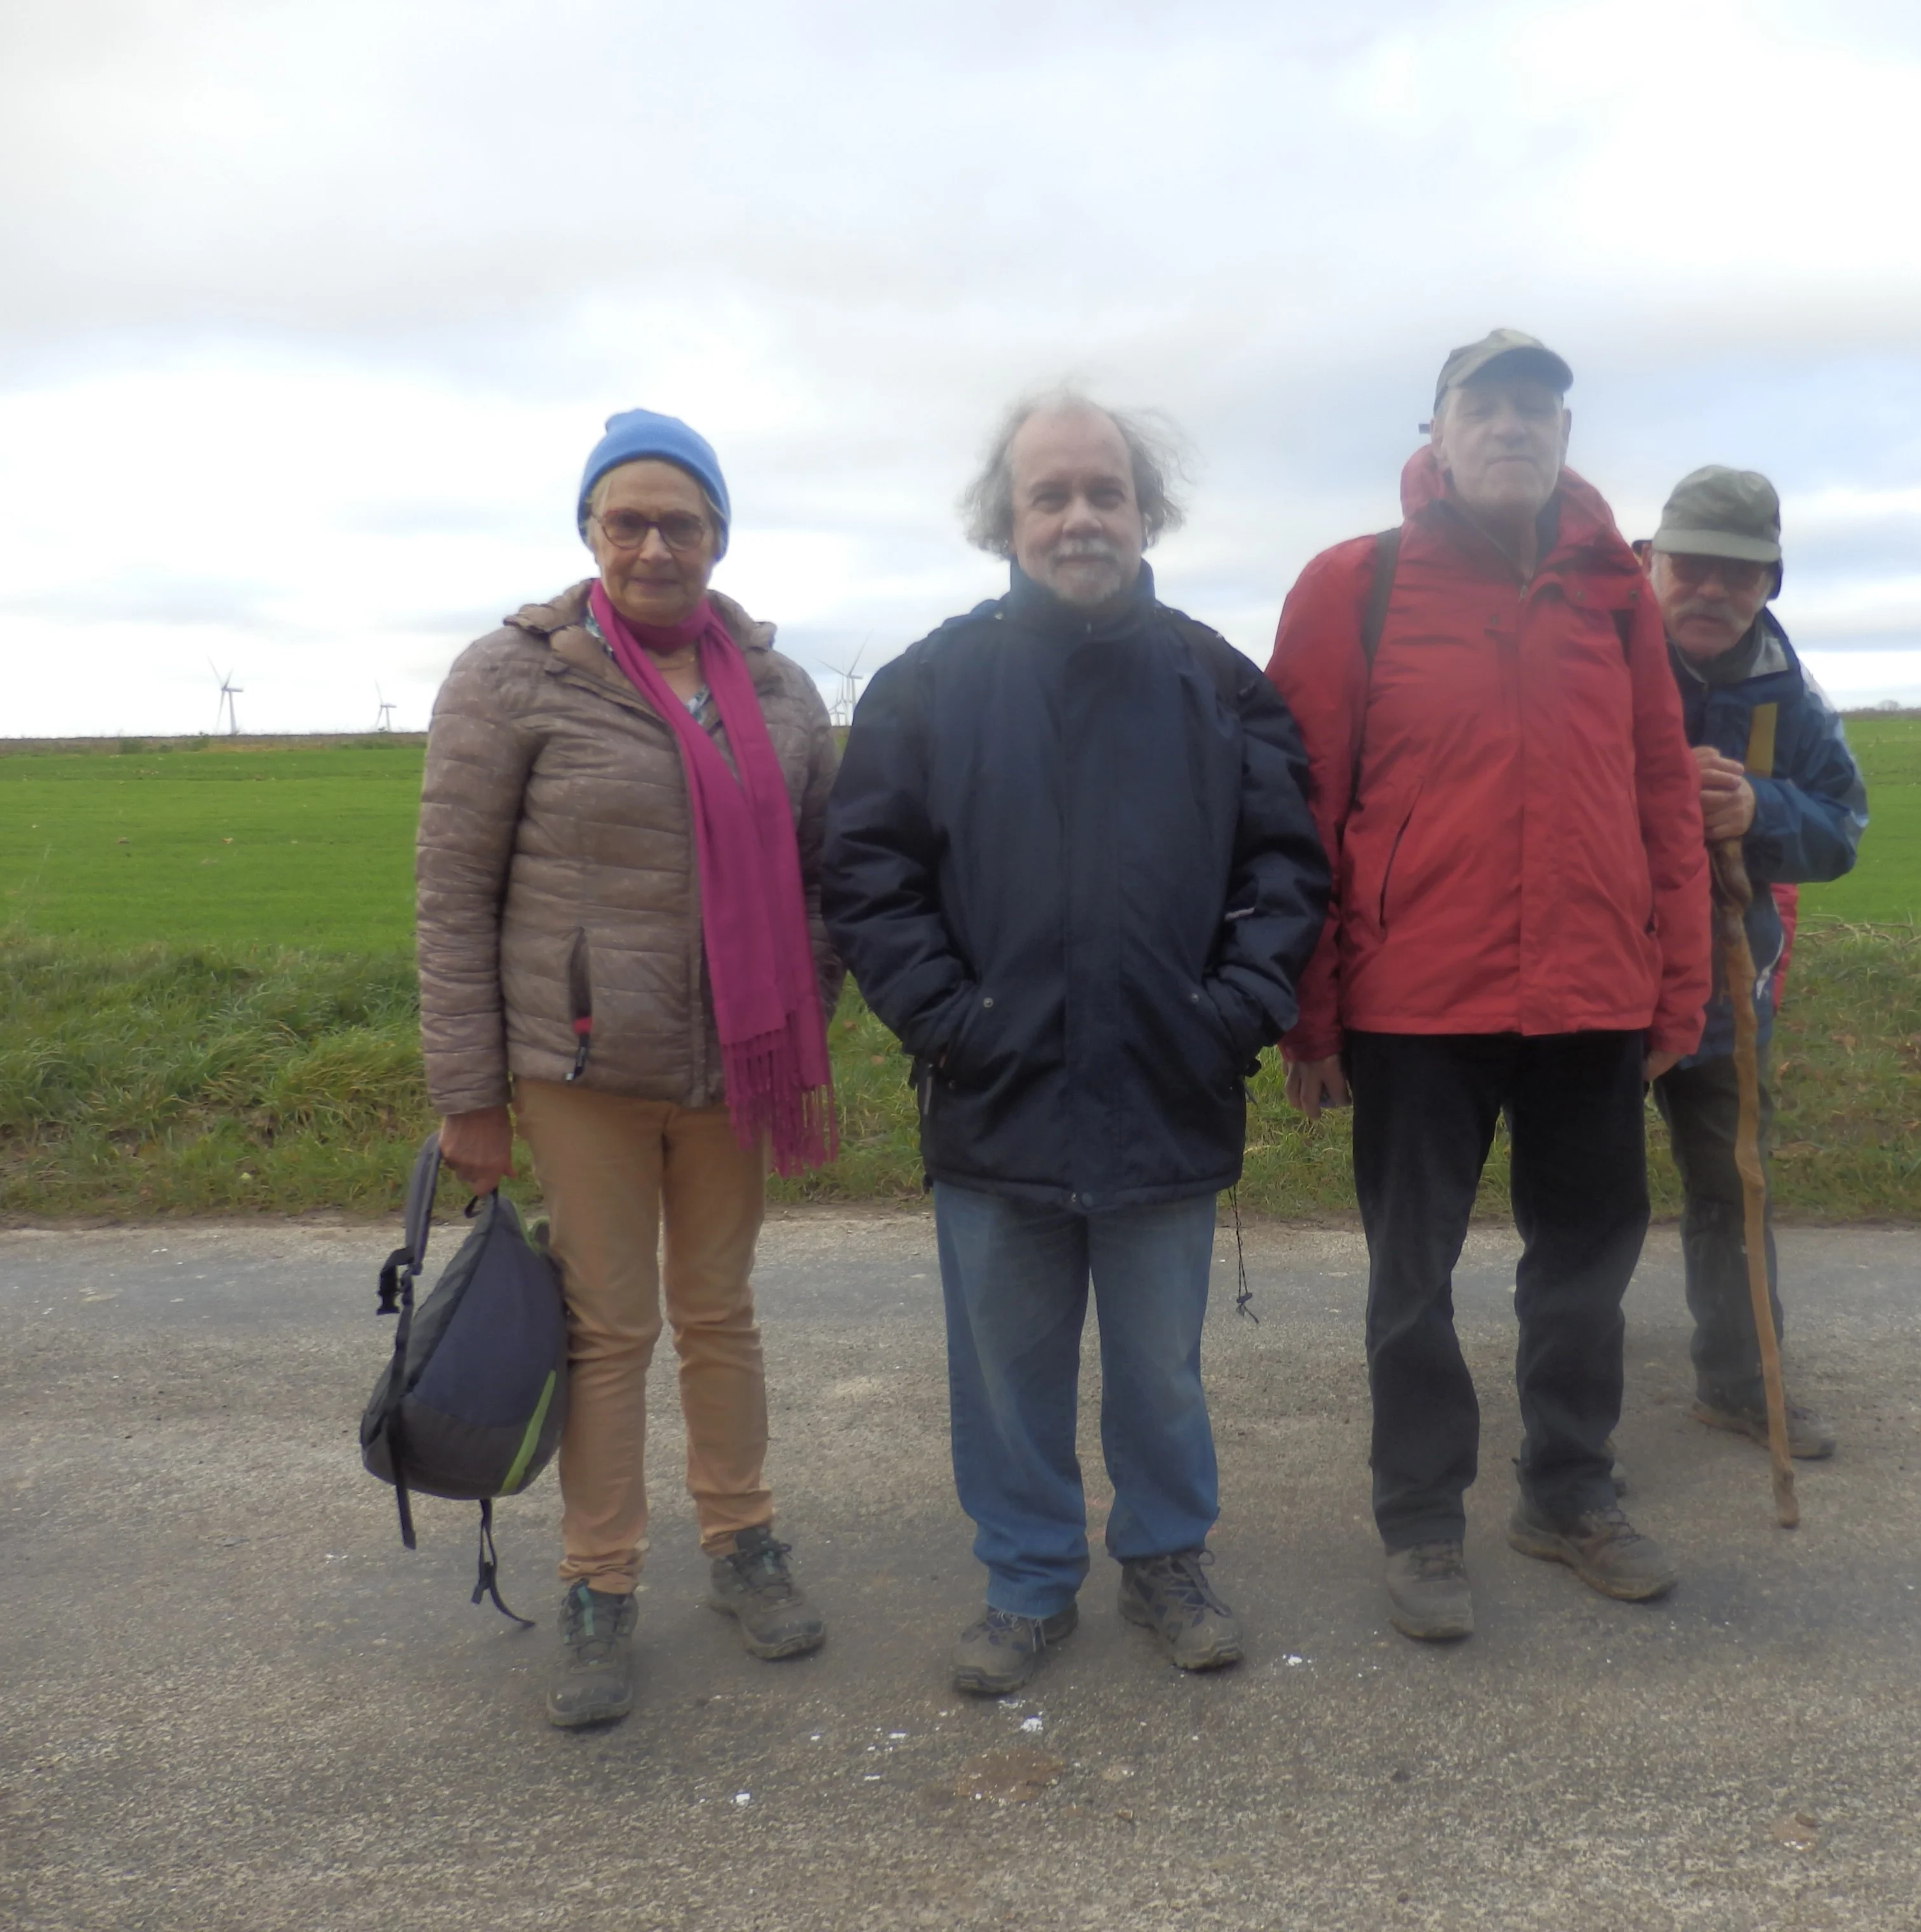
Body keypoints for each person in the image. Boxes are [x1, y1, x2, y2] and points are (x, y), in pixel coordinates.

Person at [822, 391, 1327, 1696]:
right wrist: (949, 1020)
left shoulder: (1219, 684)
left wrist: (1229, 1017)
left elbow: (1287, 869)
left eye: (1105, 491)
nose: (1080, 516)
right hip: (995, 1100)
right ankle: (1029, 1584)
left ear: (1145, 511)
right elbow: (870, 875)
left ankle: (1167, 1562)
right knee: (1007, 1374)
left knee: (1160, 1367)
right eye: (1051, 494)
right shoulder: (927, 685)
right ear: (1007, 518)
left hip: (1168, 1093)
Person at [1266, 331, 1715, 1643]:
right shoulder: (1357, 583)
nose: (1515, 425)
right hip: (1418, 1004)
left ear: (1566, 435)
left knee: (1584, 1265)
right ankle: (1421, 1520)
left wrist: (1674, 987)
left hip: (1594, 994)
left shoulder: (1617, 593)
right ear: (1439, 430)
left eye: (1539, 407)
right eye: (1488, 405)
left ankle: (1570, 1494)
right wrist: (1311, 1009)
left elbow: (1660, 792)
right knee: (1413, 1277)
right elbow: (1303, 806)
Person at [417, 410, 840, 1729]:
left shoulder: (778, 689)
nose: (658, 546)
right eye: (629, 522)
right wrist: (468, 1096)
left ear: (720, 535)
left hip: (740, 1071)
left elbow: (828, 880)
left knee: (721, 1313)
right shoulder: (513, 677)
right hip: (579, 1070)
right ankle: (601, 1586)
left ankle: (744, 1547)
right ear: (591, 534)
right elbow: (451, 895)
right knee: (608, 1331)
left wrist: (805, 1017)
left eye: (685, 522)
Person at [1644, 466, 1865, 1458]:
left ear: (1771, 583)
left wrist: (1759, 812)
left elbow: (1843, 832)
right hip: (1606, 991)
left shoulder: (1792, 695)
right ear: (1651, 564)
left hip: (1732, 990)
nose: (1712, 591)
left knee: (1734, 1188)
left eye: (1739, 575)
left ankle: (1740, 1385)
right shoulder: (1595, 665)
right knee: (1585, 1207)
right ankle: (1567, 1430)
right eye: (1692, 565)